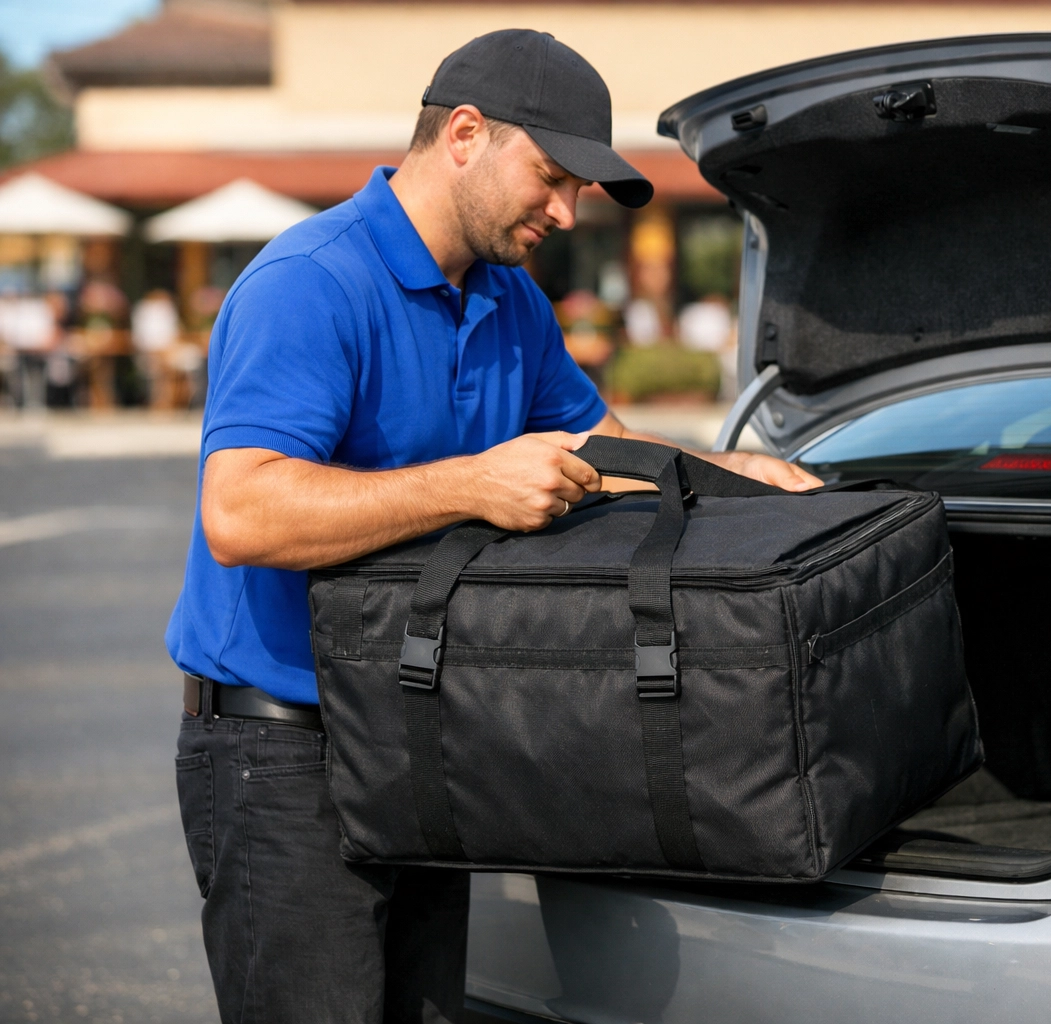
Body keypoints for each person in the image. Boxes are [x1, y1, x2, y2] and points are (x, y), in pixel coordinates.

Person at [164, 30, 819, 1024]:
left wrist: (745, 477)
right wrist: (468, 483)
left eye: (578, 193)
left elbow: (609, 448)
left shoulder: (509, 297)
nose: (563, 212)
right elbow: (242, 511)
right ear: (464, 134)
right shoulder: (311, 283)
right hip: (281, 754)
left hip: (419, 737)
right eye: (552, 179)